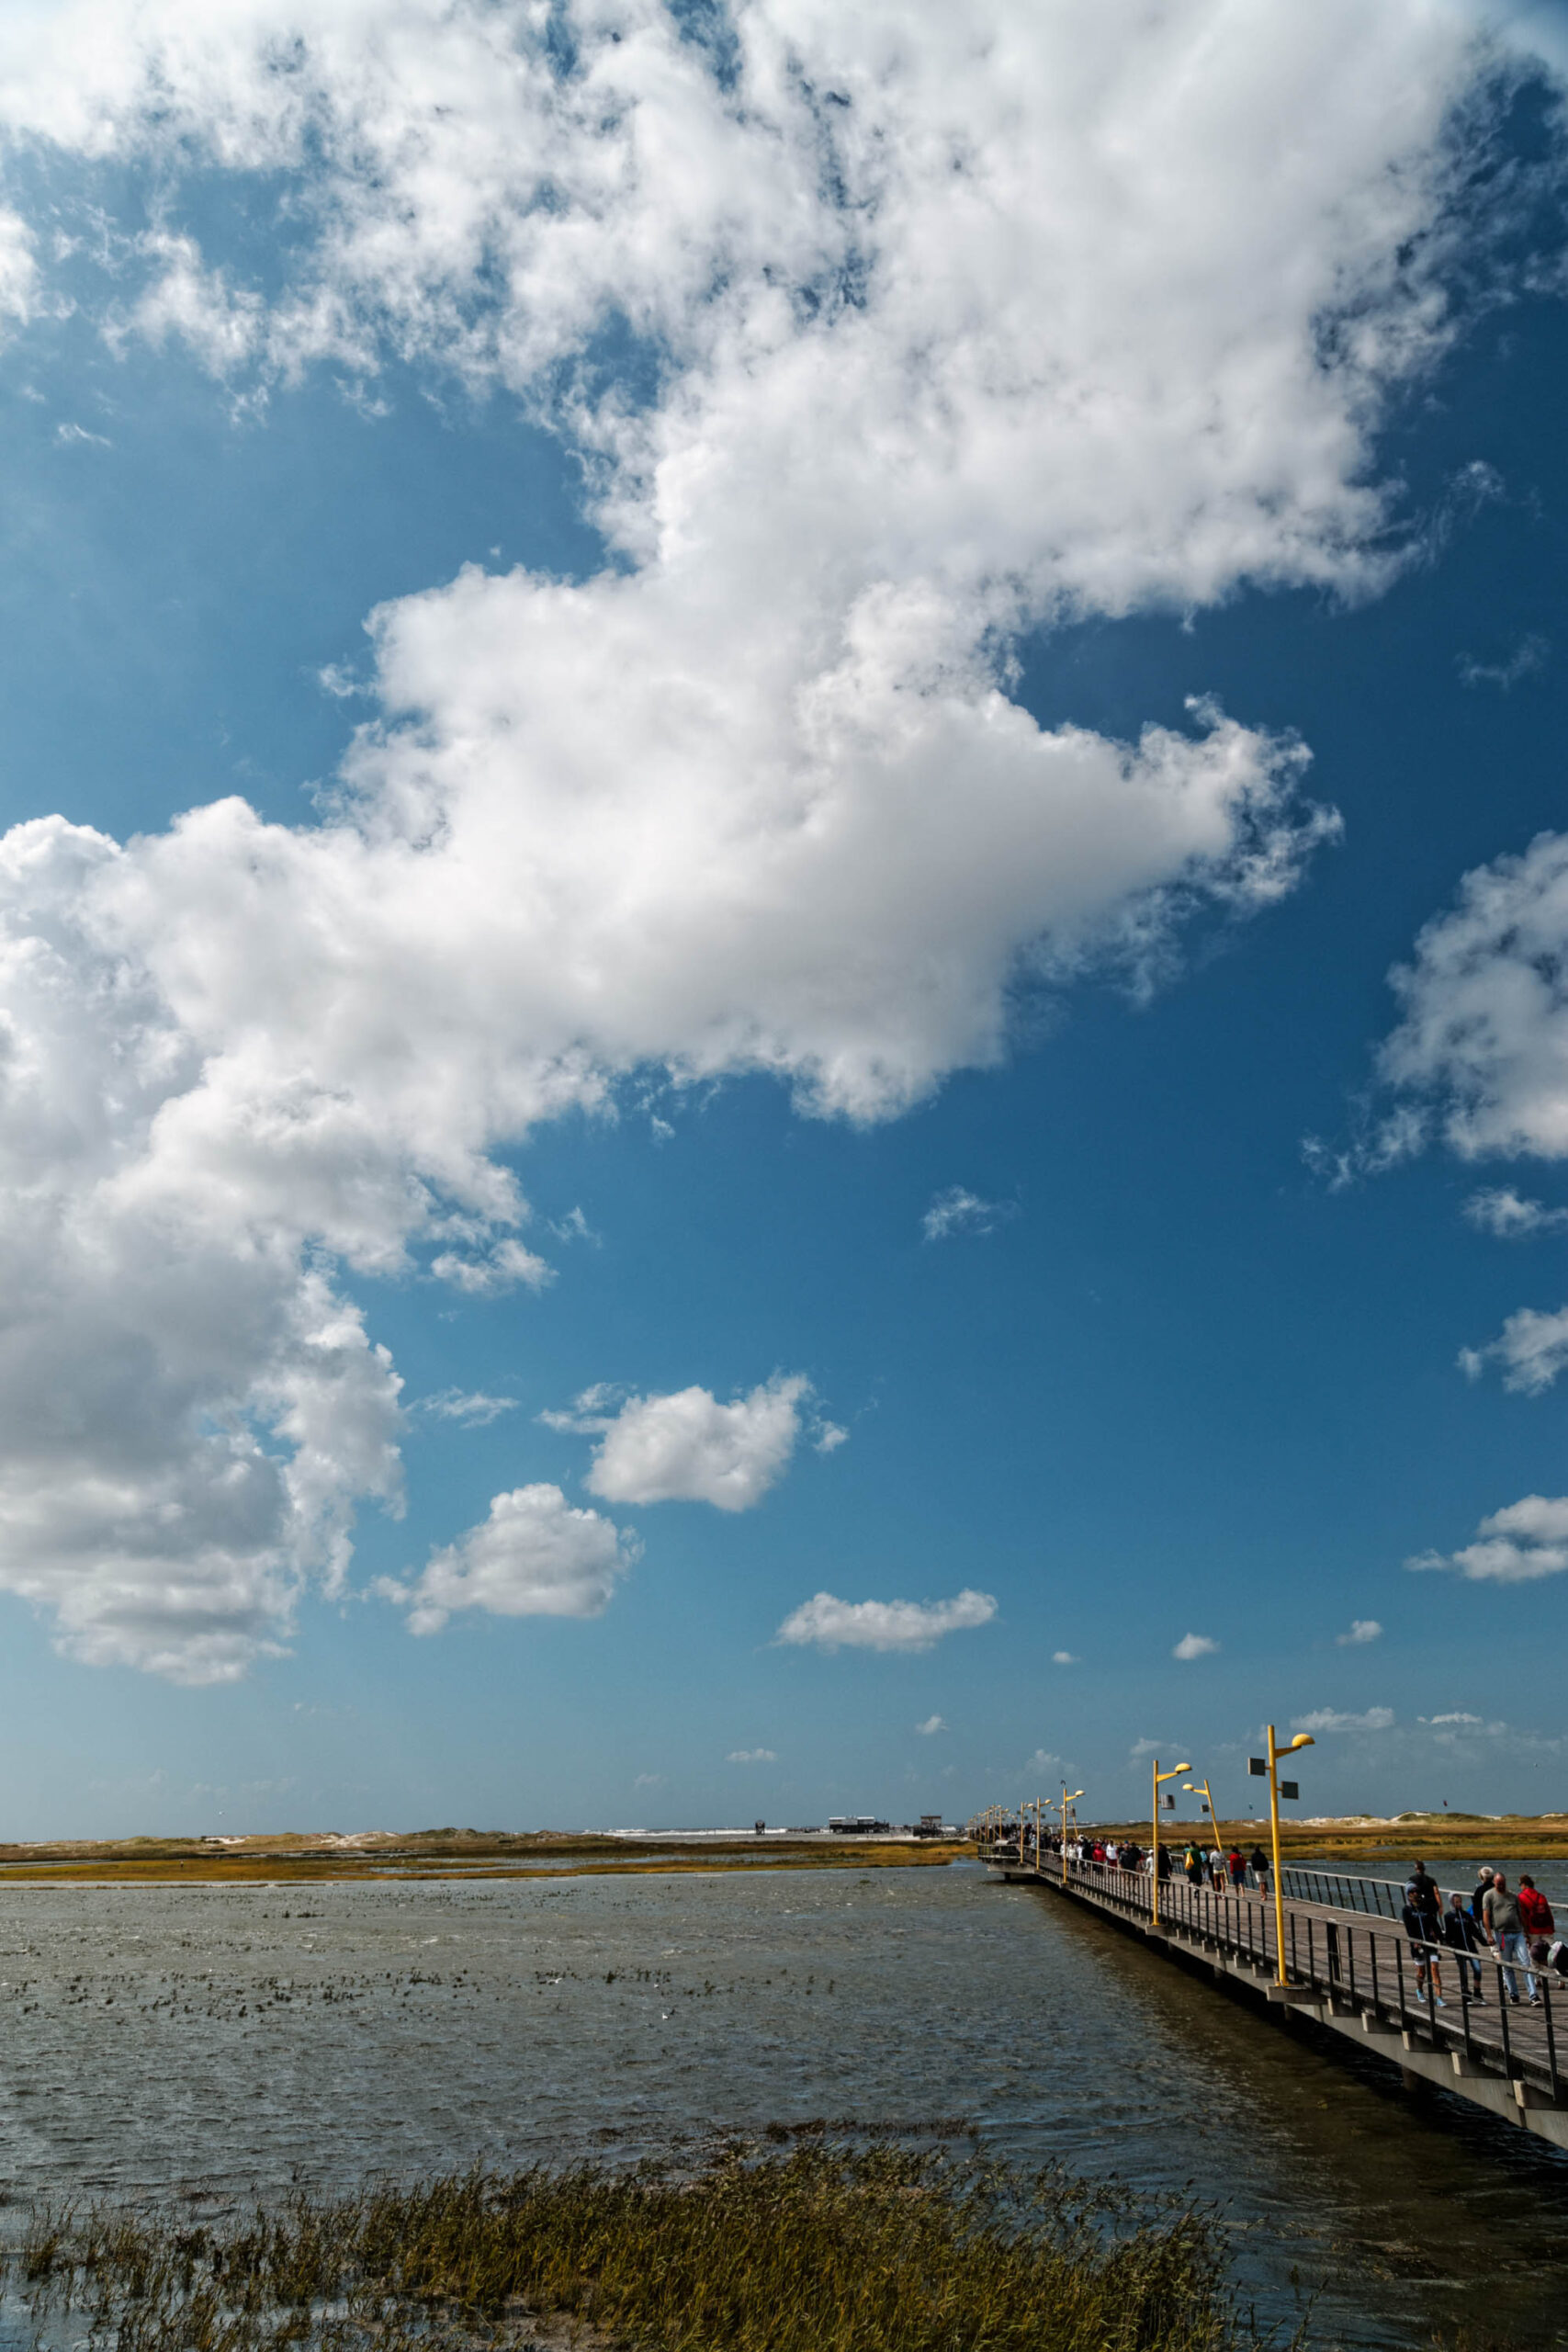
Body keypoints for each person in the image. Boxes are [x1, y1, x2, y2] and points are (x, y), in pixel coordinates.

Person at [1483, 1871, 1539, 2005]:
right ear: (1494, 1883)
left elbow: (1521, 1915)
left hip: (1518, 1932)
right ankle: (1514, 1994)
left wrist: (1526, 1933)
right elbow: (1486, 1916)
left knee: (1525, 1963)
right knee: (1507, 1965)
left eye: (1503, 1884)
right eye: (1498, 1884)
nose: (1501, 1886)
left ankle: (1533, 1995)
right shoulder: (1489, 1896)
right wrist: (1489, 1935)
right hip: (1501, 1934)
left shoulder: (1513, 1896)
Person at [1402, 1883, 1445, 2007]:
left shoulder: (1426, 1907)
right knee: (1422, 1972)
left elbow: (1434, 1923)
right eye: (1413, 1892)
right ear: (1408, 1895)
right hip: (1417, 1945)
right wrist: (1414, 1941)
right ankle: (1419, 1989)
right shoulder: (1407, 1910)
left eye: (1417, 1891)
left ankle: (1439, 1997)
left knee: (1434, 1969)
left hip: (1430, 1942)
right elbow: (1409, 1928)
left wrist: (1441, 1938)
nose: (1415, 1894)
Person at [1441, 1890, 1484, 2001]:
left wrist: (1484, 1941)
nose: (1458, 1904)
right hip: (1459, 1947)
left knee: (1477, 1969)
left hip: (1470, 1946)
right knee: (1463, 1971)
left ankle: (1477, 1991)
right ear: (1452, 1903)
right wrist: (1449, 1942)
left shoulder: (1466, 1916)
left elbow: (1474, 1930)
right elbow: (1449, 1932)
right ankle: (1465, 1993)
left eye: (1460, 1902)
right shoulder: (1449, 1916)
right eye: (1456, 1902)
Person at [1517, 1874, 1555, 1966]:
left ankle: (1537, 1977)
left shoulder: (1521, 1897)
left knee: (1534, 1953)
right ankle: (1559, 1974)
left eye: (1520, 1885)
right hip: (1546, 1928)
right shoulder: (1541, 1896)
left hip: (1532, 1930)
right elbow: (1549, 1914)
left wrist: (1525, 1933)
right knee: (1553, 1952)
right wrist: (1552, 1928)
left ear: (1524, 1884)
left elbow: (1523, 1917)